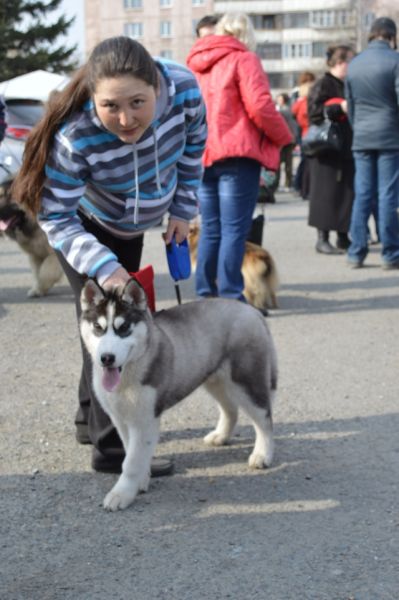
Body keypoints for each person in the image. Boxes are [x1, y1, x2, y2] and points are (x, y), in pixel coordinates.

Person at [11, 36, 207, 474]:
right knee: (107, 330)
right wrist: (105, 266)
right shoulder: (76, 133)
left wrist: (182, 209)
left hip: (134, 222)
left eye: (138, 102)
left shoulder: (186, 92)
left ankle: (89, 418)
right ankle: (113, 450)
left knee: (107, 328)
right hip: (84, 226)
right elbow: (57, 218)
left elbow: (194, 150)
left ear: (158, 86)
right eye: (110, 107)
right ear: (92, 100)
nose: (125, 119)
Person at [187, 12, 292, 301]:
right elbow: (260, 106)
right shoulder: (244, 59)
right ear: (248, 35)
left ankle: (206, 292)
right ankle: (232, 294)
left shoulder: (196, 64)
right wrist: (284, 137)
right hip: (237, 153)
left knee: (210, 227)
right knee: (234, 229)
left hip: (203, 154)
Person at [345, 17, 399, 269]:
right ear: (392, 36)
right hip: (390, 136)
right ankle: (390, 253)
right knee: (388, 195)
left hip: (362, 137)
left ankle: (356, 251)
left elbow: (351, 106)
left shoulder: (354, 64)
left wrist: (359, 130)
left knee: (363, 194)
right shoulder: (395, 60)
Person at [307, 45, 355, 254]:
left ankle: (343, 236)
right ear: (340, 63)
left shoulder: (346, 83)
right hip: (326, 150)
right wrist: (338, 108)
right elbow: (314, 113)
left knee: (346, 193)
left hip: (345, 147)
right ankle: (322, 238)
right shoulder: (323, 84)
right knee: (325, 194)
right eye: (350, 61)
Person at [291, 71, 316, 199]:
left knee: (305, 161)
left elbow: (294, 114)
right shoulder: (307, 101)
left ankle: (300, 187)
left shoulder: (299, 100)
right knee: (308, 162)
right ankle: (304, 189)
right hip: (310, 132)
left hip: (303, 132)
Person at [275, 92, 298, 191]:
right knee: (287, 162)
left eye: (280, 99)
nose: (278, 101)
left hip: (285, 139)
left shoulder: (283, 111)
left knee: (281, 162)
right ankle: (287, 184)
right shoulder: (288, 110)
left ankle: (280, 184)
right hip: (289, 138)